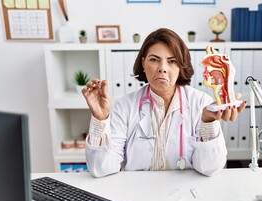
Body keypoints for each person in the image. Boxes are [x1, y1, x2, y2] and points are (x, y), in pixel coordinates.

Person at [82, 28, 246, 178]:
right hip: (137, 194)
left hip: (185, 195)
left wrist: (208, 122)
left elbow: (210, 168)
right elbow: (101, 169)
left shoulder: (201, 103)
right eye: (154, 59)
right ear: (143, 64)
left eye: (172, 61)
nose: (163, 68)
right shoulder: (125, 106)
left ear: (181, 67)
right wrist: (100, 118)